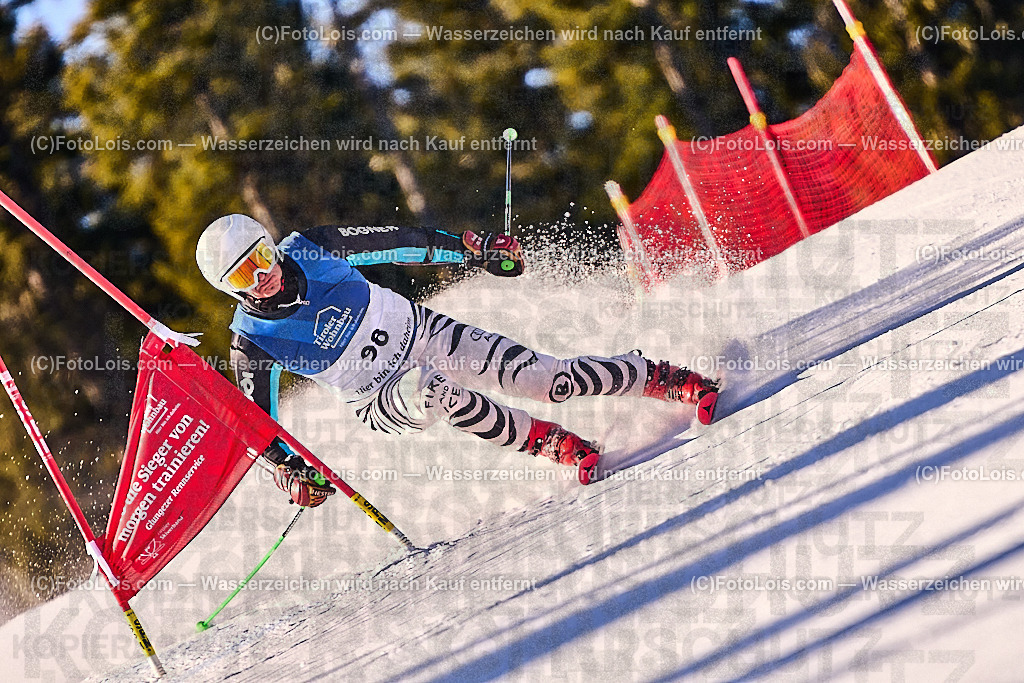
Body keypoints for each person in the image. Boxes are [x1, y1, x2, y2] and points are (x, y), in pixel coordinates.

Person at [195, 214, 719, 506]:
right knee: (434, 391)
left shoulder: (312, 246)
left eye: (261, 257)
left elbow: (401, 242)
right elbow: (255, 422)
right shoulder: (251, 342)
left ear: (271, 245)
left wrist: (475, 249)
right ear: (228, 289)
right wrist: (288, 471)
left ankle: (661, 377)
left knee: (549, 380)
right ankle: (547, 441)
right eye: (243, 275)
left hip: (425, 333)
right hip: (379, 398)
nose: (262, 275)